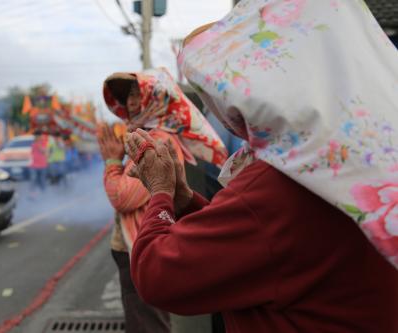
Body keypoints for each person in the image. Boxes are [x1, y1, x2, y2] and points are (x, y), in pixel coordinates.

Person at [125, 1, 398, 333]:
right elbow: (266, 246)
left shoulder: (279, 181)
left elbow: (158, 276)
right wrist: (186, 201)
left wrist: (160, 193)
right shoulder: (366, 149)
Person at [99, 68, 227, 333]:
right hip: (135, 248)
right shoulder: (147, 136)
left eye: (137, 94)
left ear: (156, 98)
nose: (130, 102)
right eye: (127, 96)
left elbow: (122, 197)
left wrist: (112, 160)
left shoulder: (158, 141)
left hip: (142, 248)